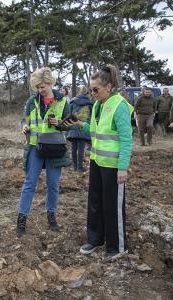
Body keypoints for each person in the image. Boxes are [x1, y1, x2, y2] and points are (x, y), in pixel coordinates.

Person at [66, 65, 133, 257]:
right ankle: (95, 239)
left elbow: (126, 140)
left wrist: (123, 168)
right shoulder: (97, 105)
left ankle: (117, 247)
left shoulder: (119, 106)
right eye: (90, 89)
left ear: (109, 86)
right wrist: (79, 124)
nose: (92, 93)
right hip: (97, 162)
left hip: (113, 167)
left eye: (95, 89)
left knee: (112, 206)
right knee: (95, 203)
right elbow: (96, 132)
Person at [17, 67, 71, 237]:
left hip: (55, 148)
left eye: (43, 86)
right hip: (35, 147)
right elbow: (24, 120)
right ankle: (21, 219)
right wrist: (24, 126)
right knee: (29, 183)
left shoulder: (62, 101)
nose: (40, 90)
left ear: (50, 83)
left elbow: (70, 123)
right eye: (37, 87)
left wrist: (59, 123)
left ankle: (51, 216)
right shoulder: (31, 101)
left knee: (53, 185)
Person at [67, 86, 93, 172]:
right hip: (83, 126)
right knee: (81, 148)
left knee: (74, 148)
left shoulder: (73, 102)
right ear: (87, 93)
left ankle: (75, 167)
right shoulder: (89, 103)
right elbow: (92, 117)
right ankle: (80, 167)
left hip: (73, 126)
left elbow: (69, 114)